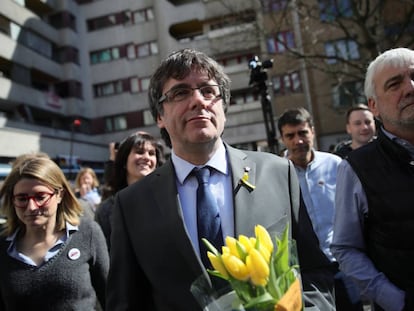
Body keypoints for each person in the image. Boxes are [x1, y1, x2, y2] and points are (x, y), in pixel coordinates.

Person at [105, 48, 318, 311]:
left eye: (208, 90)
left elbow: (315, 274)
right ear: (160, 116)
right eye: (181, 92)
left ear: (223, 107)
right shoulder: (131, 204)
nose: (198, 101)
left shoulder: (278, 173)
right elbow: (125, 302)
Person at [331, 47, 414, 311]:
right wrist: (396, 301)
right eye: (395, 84)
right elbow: (345, 248)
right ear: (374, 106)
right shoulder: (356, 168)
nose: (410, 87)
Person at [278, 107, 362, 311]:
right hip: (306, 273)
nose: (298, 141)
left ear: (312, 132)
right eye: (290, 135)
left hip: (342, 266)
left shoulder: (336, 165)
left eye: (303, 133)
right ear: (282, 139)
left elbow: (355, 214)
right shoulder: (276, 174)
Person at [0, 153, 109, 310]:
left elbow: (111, 297)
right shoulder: (3, 246)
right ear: (13, 200)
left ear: (59, 195)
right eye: (22, 199)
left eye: (40, 197)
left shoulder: (88, 233)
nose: (31, 207)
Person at [95, 131, 165, 249]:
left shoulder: (168, 199)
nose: (146, 157)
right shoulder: (107, 209)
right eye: (139, 152)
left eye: (151, 153)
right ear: (124, 160)